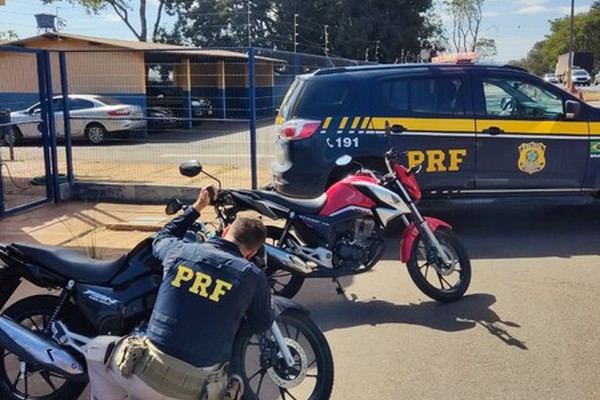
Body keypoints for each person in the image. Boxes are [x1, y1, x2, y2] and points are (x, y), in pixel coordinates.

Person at [84, 186, 273, 400]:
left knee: (95, 350)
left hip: (148, 377)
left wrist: (198, 207)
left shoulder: (180, 251)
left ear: (226, 230)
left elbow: (161, 237)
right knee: (232, 379)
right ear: (253, 252)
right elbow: (261, 324)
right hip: (200, 390)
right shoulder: (253, 276)